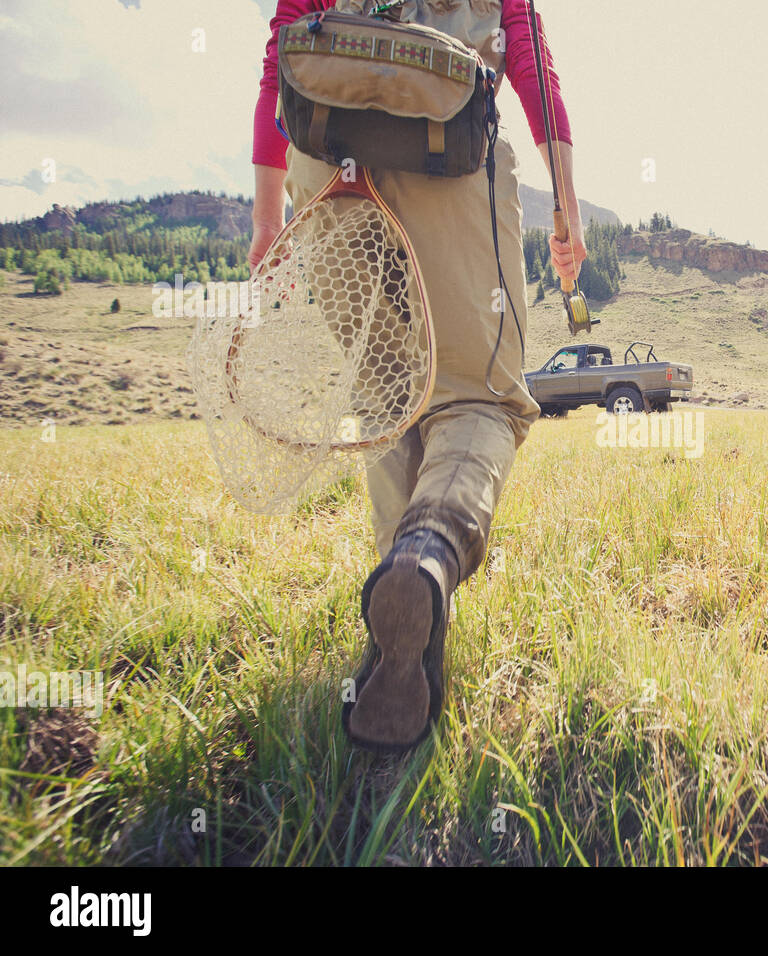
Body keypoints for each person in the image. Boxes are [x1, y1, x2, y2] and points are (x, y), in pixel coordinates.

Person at [251, 0, 586, 752]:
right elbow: (527, 47)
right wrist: (566, 206)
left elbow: (284, 41)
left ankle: (394, 642)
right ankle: (428, 553)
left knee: (386, 396)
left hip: (322, 145)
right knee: (481, 397)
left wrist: (268, 213)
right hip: (446, 138)